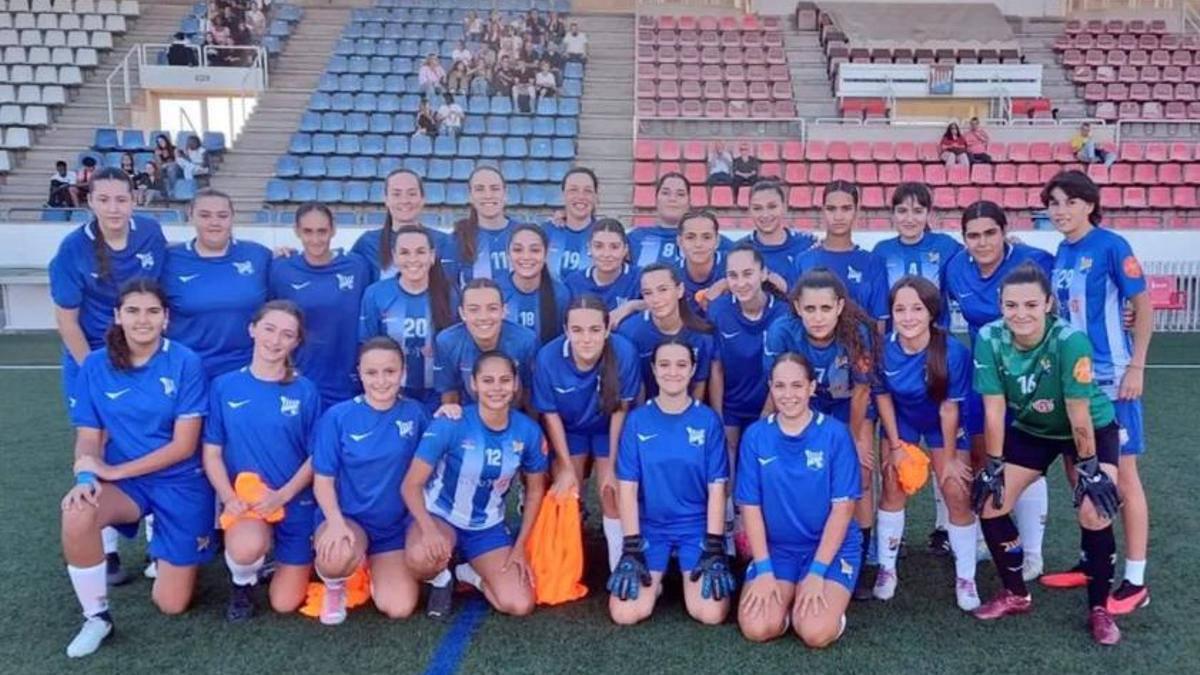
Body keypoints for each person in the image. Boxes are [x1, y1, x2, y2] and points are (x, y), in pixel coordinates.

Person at [970, 263, 1124, 645]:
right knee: (991, 501)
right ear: (1000, 305)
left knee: (1094, 508)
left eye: (1030, 305)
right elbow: (993, 408)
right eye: (1011, 305)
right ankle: (1015, 593)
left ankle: (1099, 608)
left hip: (1086, 428)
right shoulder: (989, 337)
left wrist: (1088, 467)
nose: (1020, 313)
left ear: (1048, 304)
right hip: (1033, 430)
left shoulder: (1070, 340)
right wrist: (993, 464)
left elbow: (1079, 413)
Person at [60, 279, 213, 657]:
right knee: (78, 511)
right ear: (117, 316)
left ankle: (168, 549)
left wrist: (113, 472)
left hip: (181, 482)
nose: (142, 319)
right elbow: (89, 436)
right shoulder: (95, 364)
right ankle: (97, 617)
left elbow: (184, 446)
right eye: (132, 311)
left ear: (166, 318)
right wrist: (85, 475)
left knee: (172, 604)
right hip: (129, 486)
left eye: (152, 311)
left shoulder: (185, 362)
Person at [1041, 171, 1153, 615]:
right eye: (1053, 203)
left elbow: (1142, 306)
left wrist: (1137, 365)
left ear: (1089, 203)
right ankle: (1093, 561)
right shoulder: (1062, 252)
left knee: (1124, 479)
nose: (1059, 210)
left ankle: (1135, 580)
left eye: (1068, 201)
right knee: (1080, 474)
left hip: (1113, 381)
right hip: (1075, 384)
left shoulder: (1112, 246)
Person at [943, 200, 1055, 580]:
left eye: (990, 232)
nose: (982, 242)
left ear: (1004, 232)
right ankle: (978, 539)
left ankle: (1034, 551)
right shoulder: (955, 268)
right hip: (983, 373)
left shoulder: (1035, 259)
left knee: (1028, 462)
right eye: (973, 235)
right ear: (964, 239)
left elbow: (1073, 299)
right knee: (979, 455)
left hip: (1031, 374)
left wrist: (1129, 312)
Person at [402, 351, 549, 618]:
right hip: (441, 517)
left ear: (515, 384)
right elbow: (411, 485)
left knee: (519, 604)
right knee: (421, 559)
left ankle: (465, 573)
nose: (496, 388)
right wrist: (428, 530)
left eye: (504, 380)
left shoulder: (527, 431)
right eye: (488, 380)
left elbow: (536, 490)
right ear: (474, 384)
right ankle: (439, 578)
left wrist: (519, 547)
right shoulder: (452, 423)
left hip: (486, 526)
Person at [202, 301, 320, 622]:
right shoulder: (224, 386)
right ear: (252, 329)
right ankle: (243, 583)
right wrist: (229, 498)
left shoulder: (305, 390)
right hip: (247, 502)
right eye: (269, 329)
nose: (275, 340)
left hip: (294, 500)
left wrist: (282, 495)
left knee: (285, 603)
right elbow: (211, 452)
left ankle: (283, 561)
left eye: (287, 334)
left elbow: (315, 457)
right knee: (244, 548)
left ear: (296, 342)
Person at [763, 269, 878, 596]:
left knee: (862, 473)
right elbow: (776, 387)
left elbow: (860, 393)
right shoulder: (782, 331)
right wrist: (763, 432)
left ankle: (864, 557)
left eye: (825, 309)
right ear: (797, 307)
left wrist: (852, 440)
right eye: (810, 309)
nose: (817, 317)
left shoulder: (857, 334)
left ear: (840, 306)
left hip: (847, 410)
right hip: (800, 404)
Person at [736, 353, 862, 647]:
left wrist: (817, 572)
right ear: (771, 387)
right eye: (780, 386)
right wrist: (764, 569)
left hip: (828, 550)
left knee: (816, 633)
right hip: (777, 549)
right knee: (757, 628)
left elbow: (843, 510)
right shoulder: (755, 436)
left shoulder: (834, 434)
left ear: (811, 387)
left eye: (797, 385)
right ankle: (788, 602)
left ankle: (822, 607)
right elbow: (750, 508)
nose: (788, 394)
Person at [608, 339, 733, 626]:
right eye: (664, 364)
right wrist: (631, 546)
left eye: (681, 365)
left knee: (710, 614)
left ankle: (683, 573)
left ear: (692, 371)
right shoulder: (638, 421)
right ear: (653, 370)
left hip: (695, 527)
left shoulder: (708, 421)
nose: (672, 372)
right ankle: (659, 580)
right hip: (653, 526)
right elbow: (627, 489)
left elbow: (717, 489)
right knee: (625, 614)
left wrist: (714, 546)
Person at [871, 277, 979, 609]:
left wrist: (947, 459)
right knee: (892, 482)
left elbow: (949, 409)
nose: (908, 317)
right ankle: (886, 569)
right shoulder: (882, 349)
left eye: (917, 308)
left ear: (932, 311)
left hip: (941, 423)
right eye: (899, 309)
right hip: (902, 420)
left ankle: (966, 577)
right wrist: (896, 445)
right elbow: (883, 398)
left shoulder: (953, 352)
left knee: (955, 489)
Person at [310, 337, 430, 625]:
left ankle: (370, 567)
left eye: (390, 372)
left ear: (403, 373)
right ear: (360, 373)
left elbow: (431, 467)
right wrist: (336, 523)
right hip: (350, 519)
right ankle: (336, 585)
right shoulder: (338, 417)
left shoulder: (415, 413)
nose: (381, 381)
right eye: (371, 373)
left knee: (399, 607)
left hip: (394, 527)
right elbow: (322, 481)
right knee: (337, 555)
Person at [533, 295, 642, 571]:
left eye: (595, 330)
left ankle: (620, 565)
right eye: (577, 330)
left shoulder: (624, 352)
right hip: (570, 431)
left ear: (607, 330)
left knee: (611, 490)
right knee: (568, 490)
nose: (586, 338)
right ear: (566, 330)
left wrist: (614, 465)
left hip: (607, 429)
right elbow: (551, 415)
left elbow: (620, 411)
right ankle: (566, 565)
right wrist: (567, 467)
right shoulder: (548, 357)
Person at [268, 203, 372, 407]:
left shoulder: (357, 266)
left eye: (322, 231)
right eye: (307, 231)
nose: (315, 239)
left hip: (348, 383)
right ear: (296, 231)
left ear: (333, 229)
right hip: (298, 380)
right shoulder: (281, 269)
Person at [163, 189, 271, 379]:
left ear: (232, 217)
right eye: (205, 215)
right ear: (191, 215)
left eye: (222, 216)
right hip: (188, 370)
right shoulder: (169, 259)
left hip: (246, 370)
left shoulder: (259, 255)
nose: (214, 223)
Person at [708, 243, 790, 475]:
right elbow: (717, 368)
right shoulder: (719, 310)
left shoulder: (784, 313)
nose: (741, 283)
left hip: (774, 402)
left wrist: (767, 412)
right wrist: (718, 414)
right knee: (727, 454)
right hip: (733, 403)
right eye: (733, 275)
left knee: (765, 458)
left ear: (764, 274)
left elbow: (787, 369)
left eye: (748, 274)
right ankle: (728, 509)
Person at [359, 225, 457, 412]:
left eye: (420, 252)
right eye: (404, 253)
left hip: (438, 396)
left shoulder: (450, 294)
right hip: (393, 394)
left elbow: (457, 347)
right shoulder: (376, 294)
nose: (413, 259)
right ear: (394, 257)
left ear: (432, 256)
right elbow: (367, 348)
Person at [617, 263, 717, 402]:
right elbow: (633, 387)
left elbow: (699, 385)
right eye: (648, 293)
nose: (656, 299)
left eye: (663, 290)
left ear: (680, 290)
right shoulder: (629, 332)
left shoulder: (701, 334)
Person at [793, 181, 890, 325]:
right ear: (823, 211)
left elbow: (879, 323)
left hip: (860, 346)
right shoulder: (804, 260)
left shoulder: (873, 262)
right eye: (831, 209)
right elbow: (795, 317)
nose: (838, 216)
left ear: (857, 212)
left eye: (846, 209)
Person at [433, 279, 538, 407]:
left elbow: (529, 394)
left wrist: (526, 425)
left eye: (492, 308)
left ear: (504, 310)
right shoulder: (447, 342)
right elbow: (449, 396)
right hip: (469, 414)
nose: (483, 317)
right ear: (462, 313)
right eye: (474, 309)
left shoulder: (525, 341)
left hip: (513, 415)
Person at [873, 182, 963, 324]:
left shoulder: (946, 245)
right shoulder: (882, 251)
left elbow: (976, 256)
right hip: (898, 339)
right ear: (893, 214)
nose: (910, 219)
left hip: (938, 338)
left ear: (929, 213)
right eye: (902, 211)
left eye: (918, 211)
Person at [351, 169, 456, 283]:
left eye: (411, 194)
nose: (405, 200)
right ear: (386, 199)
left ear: (423, 199)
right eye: (396, 194)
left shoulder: (444, 242)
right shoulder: (368, 243)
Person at [628, 172, 733, 268]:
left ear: (689, 201)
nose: (672, 199)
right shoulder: (635, 238)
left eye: (680, 194)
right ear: (656, 198)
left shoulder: (711, 239)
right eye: (665, 193)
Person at [497, 224, 571, 345]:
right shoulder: (496, 291)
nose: (526, 257)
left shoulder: (560, 294)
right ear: (508, 254)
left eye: (535, 250)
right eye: (518, 250)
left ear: (546, 254)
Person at [452, 166, 521, 284]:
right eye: (480, 189)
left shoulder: (524, 233)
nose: (488, 195)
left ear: (505, 194)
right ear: (470, 196)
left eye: (495, 188)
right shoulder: (458, 239)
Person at [743, 181, 816, 291]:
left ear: (784, 207)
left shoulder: (807, 244)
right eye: (757, 208)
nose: (765, 215)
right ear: (749, 211)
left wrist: (786, 288)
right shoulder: (740, 250)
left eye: (772, 207)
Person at [564, 218, 642, 311]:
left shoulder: (640, 277)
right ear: (589, 248)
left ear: (625, 249)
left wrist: (631, 306)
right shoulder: (574, 282)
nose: (606, 254)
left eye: (614, 247)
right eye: (598, 246)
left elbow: (660, 302)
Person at [544, 167, 599, 279]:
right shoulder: (545, 233)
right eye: (573, 190)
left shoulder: (604, 236)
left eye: (587, 191)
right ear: (563, 195)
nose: (581, 196)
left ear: (595, 197)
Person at [675, 210, 728, 316]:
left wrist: (727, 283)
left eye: (706, 237)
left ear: (717, 241)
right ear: (680, 242)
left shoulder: (735, 264)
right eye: (690, 237)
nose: (698, 244)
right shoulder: (670, 274)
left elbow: (762, 276)